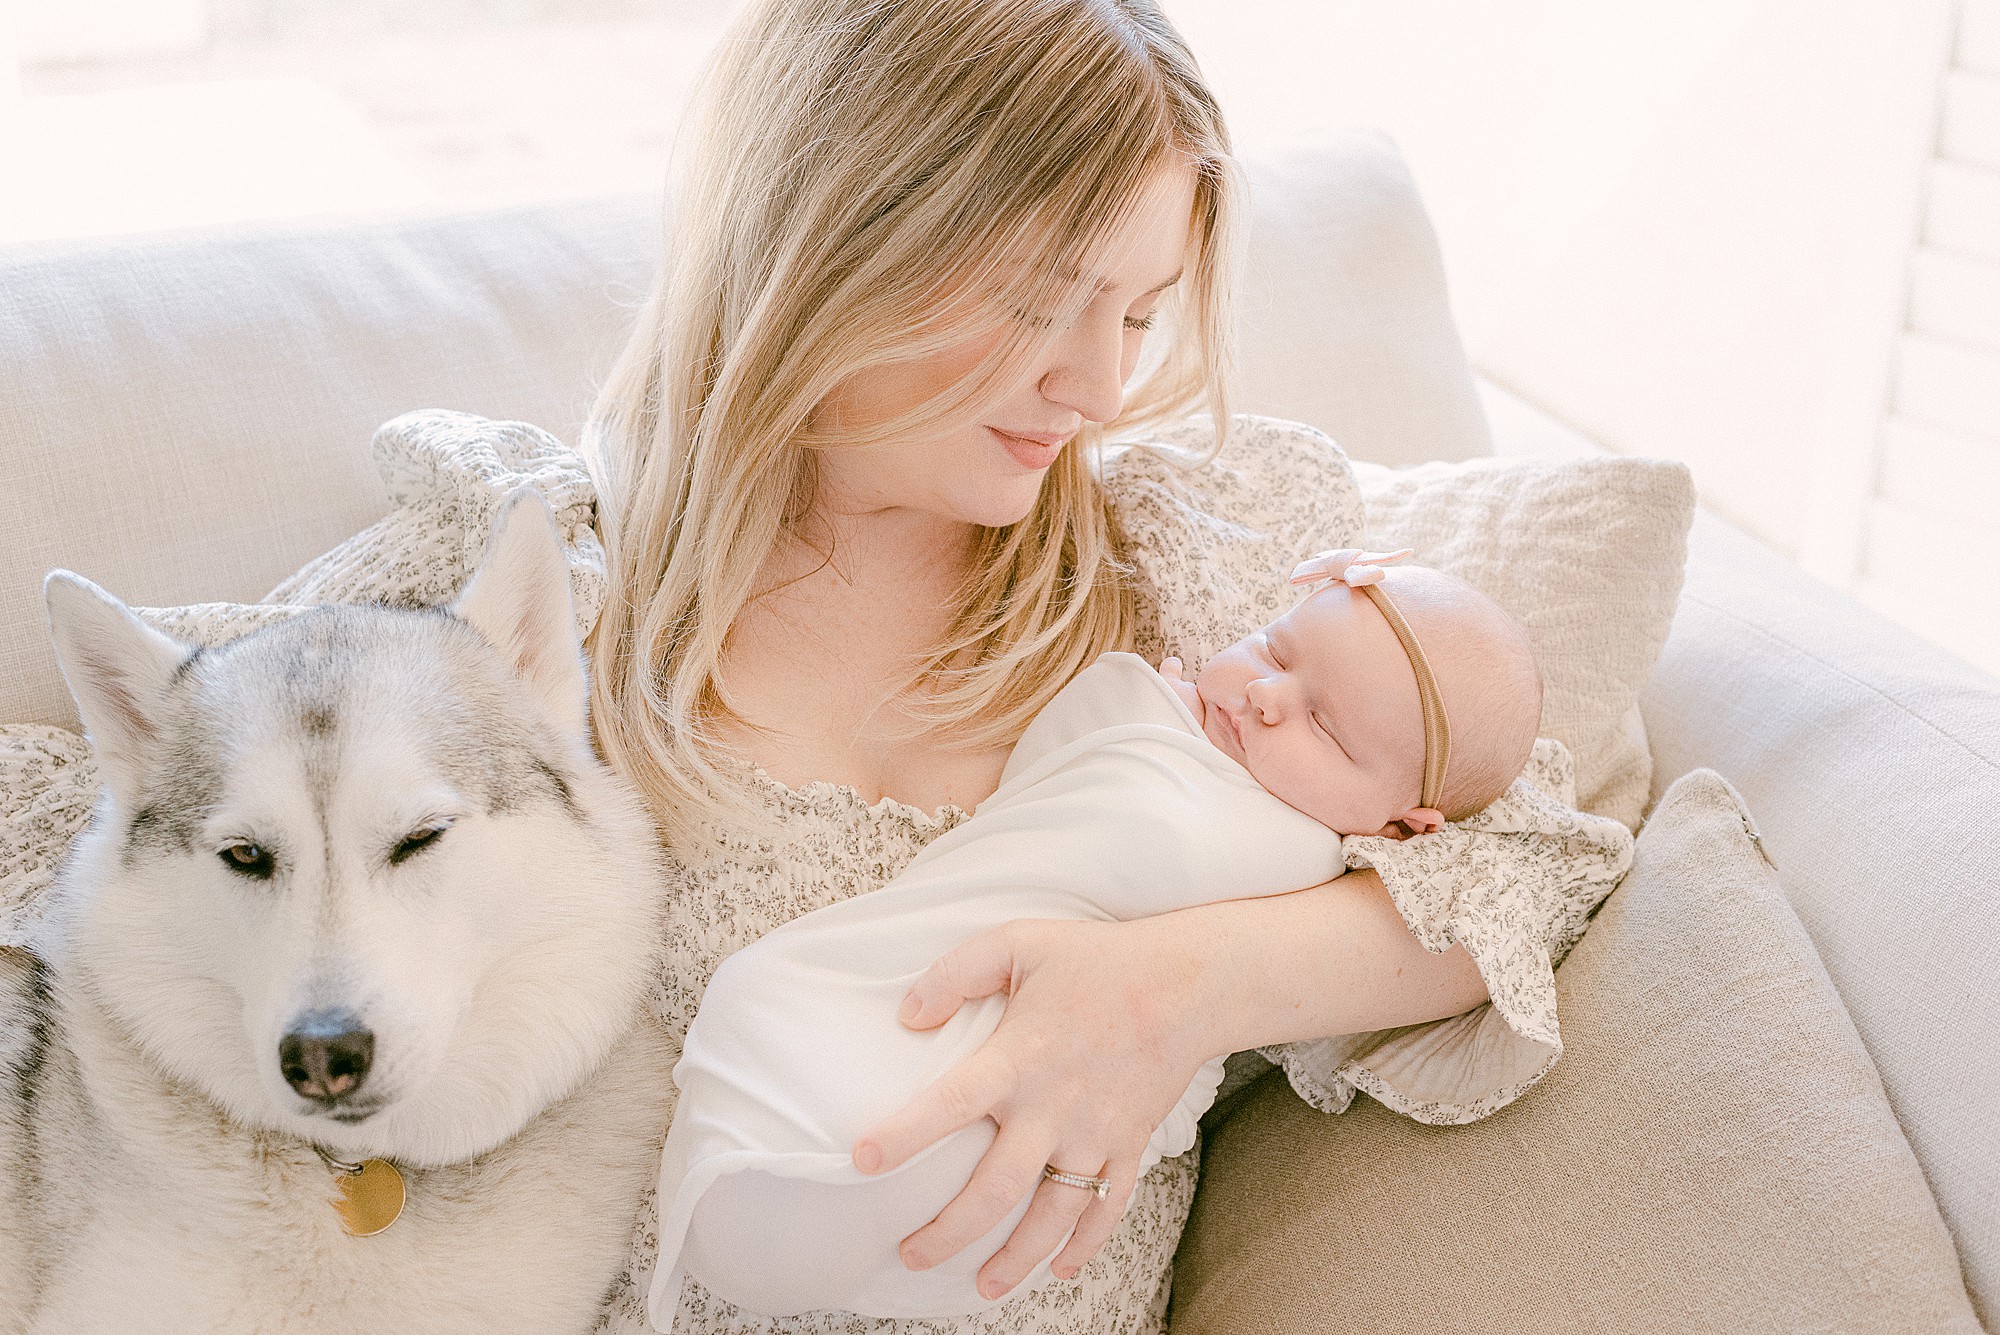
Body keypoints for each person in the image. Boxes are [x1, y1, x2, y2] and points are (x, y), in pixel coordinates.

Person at [580, 1, 1634, 1329]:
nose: (1097, 383)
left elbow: (1539, 869)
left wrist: (1175, 986)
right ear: (830, 232)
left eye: (1138, 314)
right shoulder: (560, 602)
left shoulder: (1198, 583)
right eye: (1041, 302)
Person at [647, 548, 1545, 1325]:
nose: (1267, 696)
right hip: (904, 989)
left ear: (1403, 830)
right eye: (1275, 649)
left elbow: (1530, 893)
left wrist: (1186, 981)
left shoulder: (1325, 867)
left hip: (1019, 1158)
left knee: (946, 1150)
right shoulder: (1170, 700)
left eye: (1327, 727)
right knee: (791, 1015)